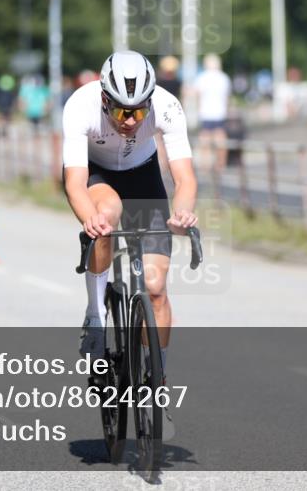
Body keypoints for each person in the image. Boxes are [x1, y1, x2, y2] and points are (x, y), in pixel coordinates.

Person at [62, 50, 198, 378]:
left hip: (143, 175)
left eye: (139, 111)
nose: (130, 121)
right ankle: (95, 316)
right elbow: (75, 184)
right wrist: (89, 219)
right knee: (106, 215)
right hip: (97, 174)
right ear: (105, 100)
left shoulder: (167, 106)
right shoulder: (80, 106)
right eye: (122, 111)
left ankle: (157, 379)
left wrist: (182, 213)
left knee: (155, 289)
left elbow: (185, 179)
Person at [194, 53, 231, 172]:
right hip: (220, 112)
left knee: (205, 140)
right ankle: (221, 163)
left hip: (206, 113)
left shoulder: (202, 77)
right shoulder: (224, 77)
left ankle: (205, 165)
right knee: (221, 139)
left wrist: (198, 110)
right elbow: (227, 97)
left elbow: (197, 96)